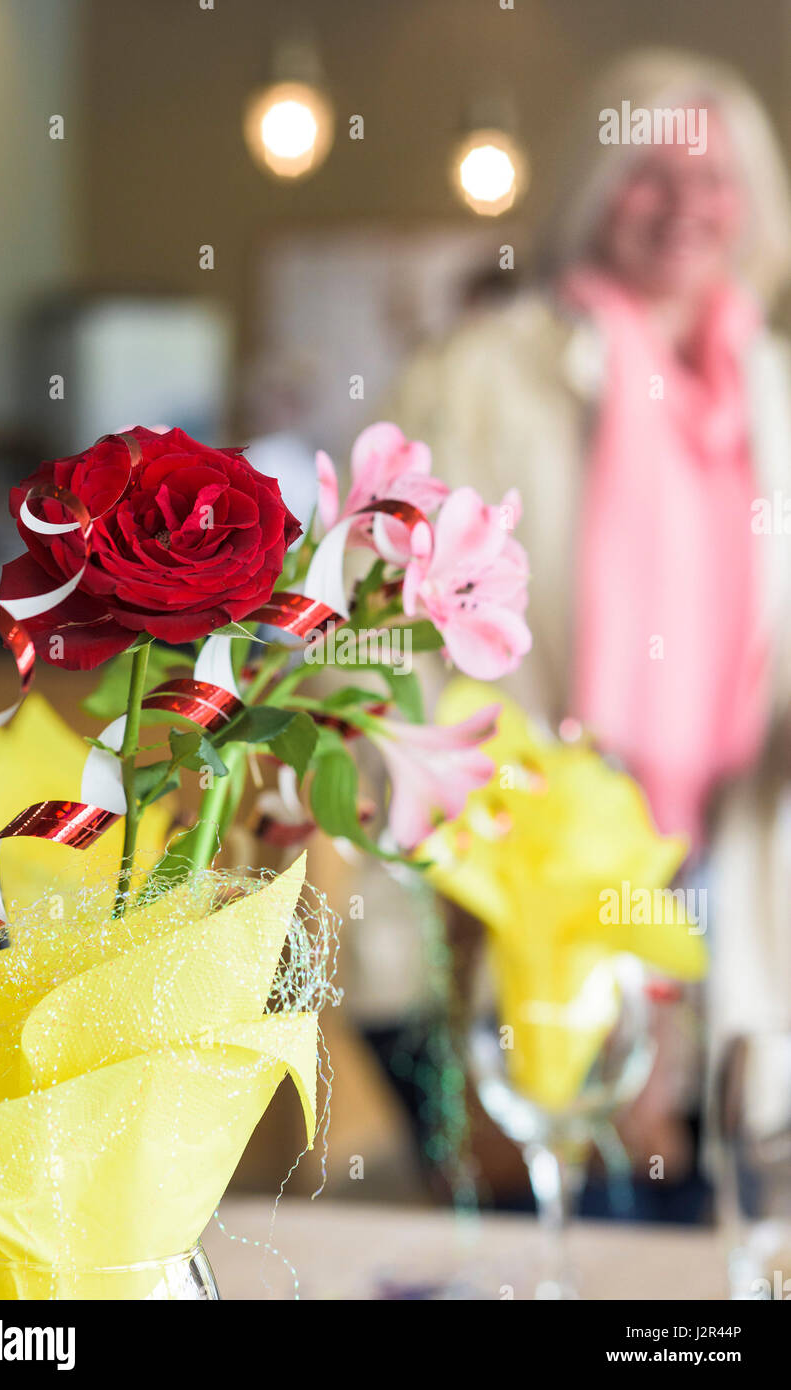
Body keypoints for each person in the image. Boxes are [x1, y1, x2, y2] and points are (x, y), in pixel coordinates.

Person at [388, 49, 791, 1211]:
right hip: (541, 851)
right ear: (590, 183)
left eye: (715, 179)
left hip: (731, 856)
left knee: (713, 1223)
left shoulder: (768, 385)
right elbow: (416, 637)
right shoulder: (479, 376)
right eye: (649, 173)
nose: (686, 207)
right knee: (558, 1198)